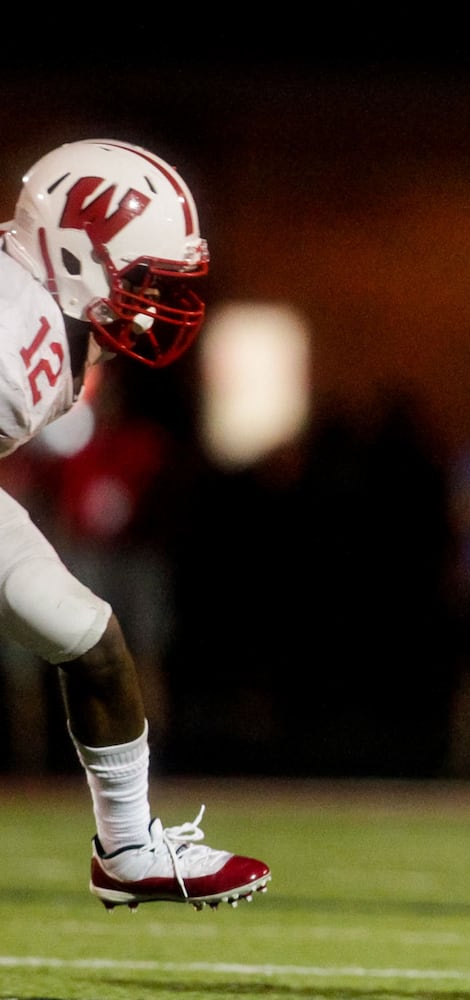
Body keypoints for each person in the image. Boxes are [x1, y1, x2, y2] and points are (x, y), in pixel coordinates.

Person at [0, 138, 270, 909]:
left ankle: (128, 849)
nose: (152, 302)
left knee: (94, 638)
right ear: (73, 256)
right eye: (143, 279)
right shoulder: (15, 353)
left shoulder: (39, 306)